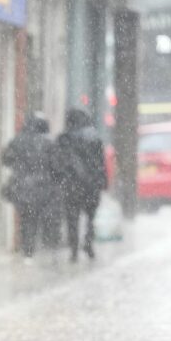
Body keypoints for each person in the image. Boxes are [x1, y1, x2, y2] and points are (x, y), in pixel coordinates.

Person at [2, 113, 57, 261]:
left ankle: (27, 246)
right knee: (34, 217)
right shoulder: (48, 143)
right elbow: (55, 166)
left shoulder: (18, 140)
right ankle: (30, 247)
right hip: (41, 186)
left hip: (20, 185)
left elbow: (6, 159)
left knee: (25, 216)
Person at [56, 109, 107, 262]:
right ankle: (89, 242)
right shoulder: (94, 137)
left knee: (72, 218)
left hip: (72, 185)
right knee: (91, 217)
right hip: (91, 184)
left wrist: (59, 179)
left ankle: (74, 250)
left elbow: (59, 162)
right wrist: (103, 181)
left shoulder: (64, 138)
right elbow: (101, 163)